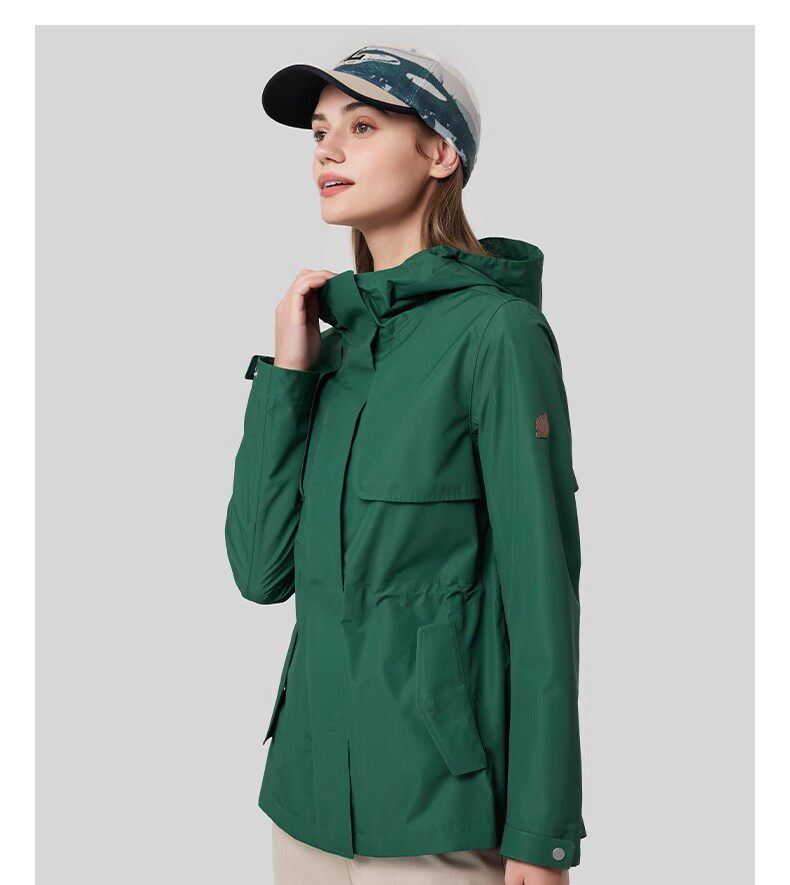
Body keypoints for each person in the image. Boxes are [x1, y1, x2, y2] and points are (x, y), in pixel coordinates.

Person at [225, 45, 586, 885]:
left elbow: (543, 598)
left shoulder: (497, 335)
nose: (326, 148)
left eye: (361, 126)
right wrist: (287, 376)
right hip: (304, 805)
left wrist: (543, 830)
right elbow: (259, 571)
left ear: (440, 154)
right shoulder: (336, 345)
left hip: (439, 815)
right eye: (319, 131)